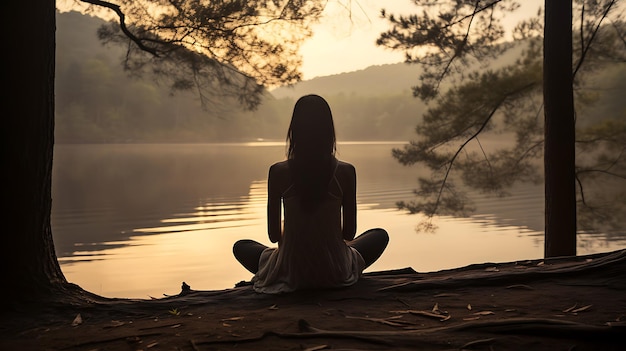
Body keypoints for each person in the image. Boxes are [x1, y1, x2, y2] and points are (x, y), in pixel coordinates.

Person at [233, 94, 388, 294]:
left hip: (291, 271)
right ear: (329, 131)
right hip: (336, 272)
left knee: (242, 246)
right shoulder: (346, 172)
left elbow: (273, 236)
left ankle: (287, 267)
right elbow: (349, 234)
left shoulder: (278, 172)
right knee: (378, 236)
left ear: (294, 130)